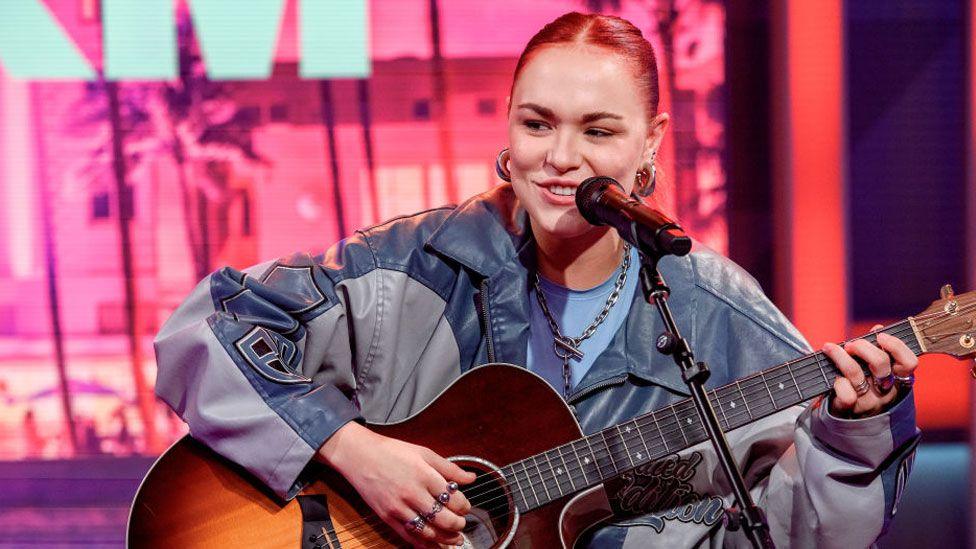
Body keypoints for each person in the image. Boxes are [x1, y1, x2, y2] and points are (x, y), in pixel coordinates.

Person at [153, 12, 920, 548]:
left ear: (649, 142)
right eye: (536, 122)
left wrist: (850, 434)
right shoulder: (409, 262)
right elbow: (204, 333)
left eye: (597, 130)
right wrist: (353, 449)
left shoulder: (716, 311)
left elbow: (802, 534)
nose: (559, 158)